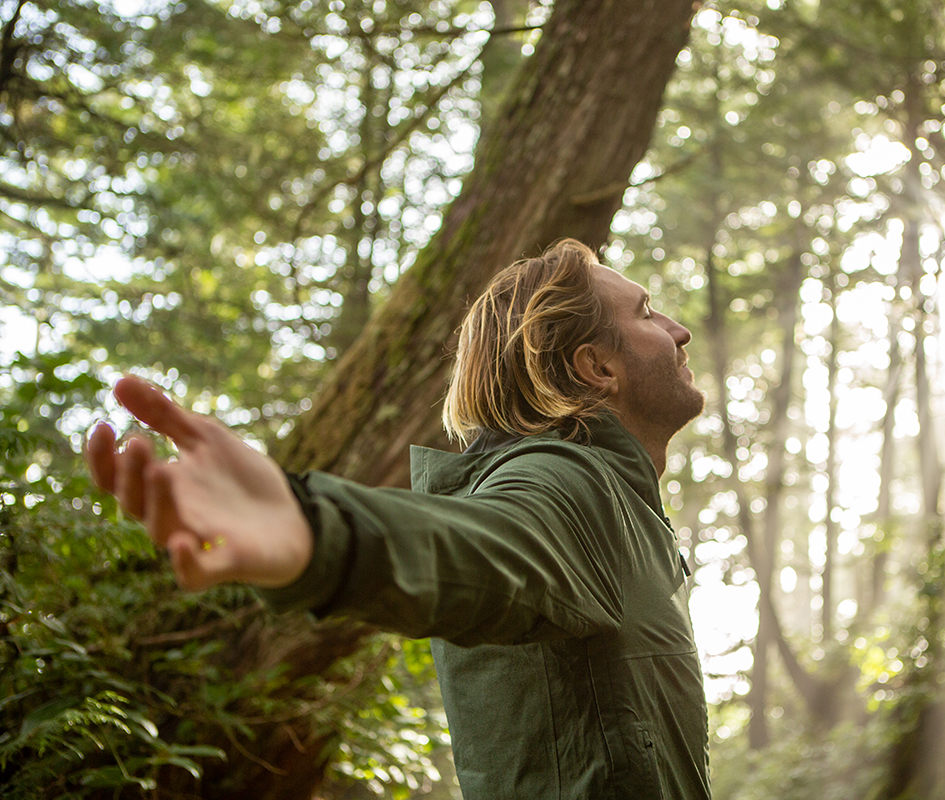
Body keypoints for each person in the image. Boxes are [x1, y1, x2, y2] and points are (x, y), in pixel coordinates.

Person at [87, 239, 711, 799]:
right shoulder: (569, 483)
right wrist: (316, 528)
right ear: (597, 367)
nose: (679, 330)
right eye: (647, 313)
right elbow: (478, 546)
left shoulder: (620, 503)